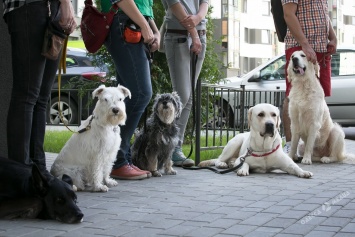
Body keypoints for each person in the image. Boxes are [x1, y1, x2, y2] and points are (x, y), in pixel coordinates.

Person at [3, 0, 77, 175]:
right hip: (31, 6)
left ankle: (39, 173)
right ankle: (22, 175)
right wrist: (66, 3)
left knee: (41, 98)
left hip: (50, 9)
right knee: (27, 96)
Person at [101, 0, 160, 180]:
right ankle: (117, 160)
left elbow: (144, 6)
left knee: (125, 96)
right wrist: (144, 25)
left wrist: (154, 29)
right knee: (141, 93)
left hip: (132, 23)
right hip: (124, 23)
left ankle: (118, 159)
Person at [281, 0, 337, 153]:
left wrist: (333, 37)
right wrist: (304, 45)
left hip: (321, 47)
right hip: (300, 47)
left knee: (318, 96)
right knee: (292, 96)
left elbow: (324, 13)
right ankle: (289, 146)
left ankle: (315, 147)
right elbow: (288, 14)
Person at [162, 0, 208, 167]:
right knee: (182, 95)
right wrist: (193, 32)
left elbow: (205, 2)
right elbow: (174, 4)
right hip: (179, 37)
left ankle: (175, 147)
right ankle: (170, 147)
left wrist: (197, 18)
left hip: (200, 36)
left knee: (188, 98)